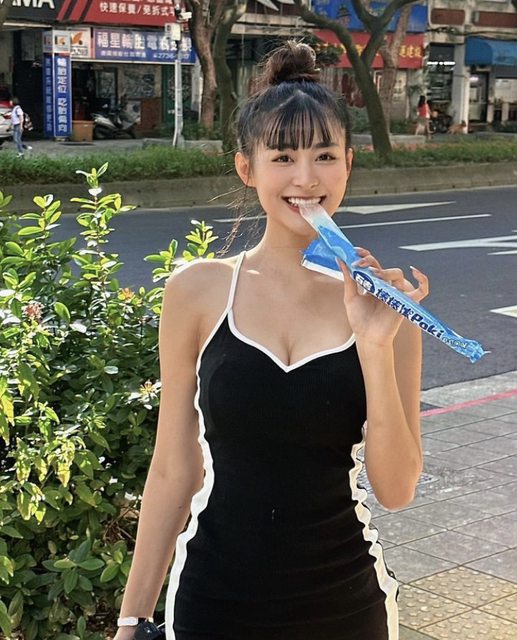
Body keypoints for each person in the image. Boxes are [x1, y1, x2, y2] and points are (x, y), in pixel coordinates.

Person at [114, 41, 428, 640]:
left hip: (345, 608)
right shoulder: (197, 291)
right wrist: (132, 619)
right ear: (247, 168)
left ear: (348, 164)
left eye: (324, 156)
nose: (305, 178)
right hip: (212, 603)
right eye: (283, 156)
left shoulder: (389, 310)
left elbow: (395, 489)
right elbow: (174, 469)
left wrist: (373, 345)